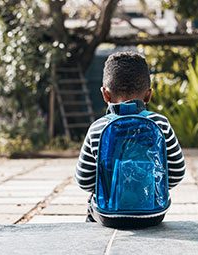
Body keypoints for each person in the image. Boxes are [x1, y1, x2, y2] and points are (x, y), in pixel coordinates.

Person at [75, 51, 185, 228]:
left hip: (109, 216)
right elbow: (178, 171)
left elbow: (84, 180)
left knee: (91, 203)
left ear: (105, 95)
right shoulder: (161, 123)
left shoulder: (97, 127)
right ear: (148, 95)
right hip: (153, 214)